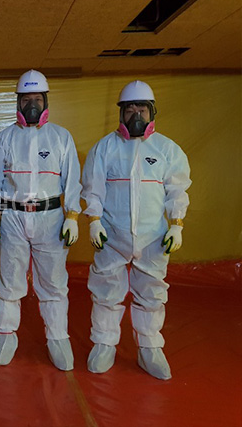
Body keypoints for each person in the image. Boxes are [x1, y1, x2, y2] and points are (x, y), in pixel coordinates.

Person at [82, 80, 191, 380]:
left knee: (152, 293)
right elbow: (93, 190)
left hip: (153, 237)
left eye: (141, 109)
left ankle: (149, 348)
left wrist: (176, 225)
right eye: (129, 110)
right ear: (121, 113)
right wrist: (94, 221)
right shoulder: (104, 148)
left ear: (152, 111)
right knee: (106, 291)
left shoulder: (167, 150)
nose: (136, 115)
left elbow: (177, 191)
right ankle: (104, 343)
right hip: (112, 236)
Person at [0, 70, 81, 369]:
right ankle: (5, 333)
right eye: (26, 100)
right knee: (10, 278)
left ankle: (57, 337)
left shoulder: (61, 137)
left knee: (53, 281)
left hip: (50, 218)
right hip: (12, 216)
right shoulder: (5, 138)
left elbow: (72, 180)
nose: (32, 106)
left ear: (46, 101)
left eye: (37, 99)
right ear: (18, 102)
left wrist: (72, 215)